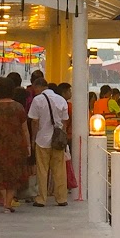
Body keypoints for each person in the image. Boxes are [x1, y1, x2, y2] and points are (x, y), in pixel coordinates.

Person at [0, 76, 32, 211]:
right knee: (12, 175)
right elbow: (25, 129)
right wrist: (28, 145)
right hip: (16, 146)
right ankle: (7, 204)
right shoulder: (18, 107)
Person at [28, 76, 70, 206]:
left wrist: (33, 138)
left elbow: (34, 121)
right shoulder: (61, 99)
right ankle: (61, 198)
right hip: (58, 140)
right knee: (59, 170)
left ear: (38, 87)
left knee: (42, 170)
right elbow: (65, 120)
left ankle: (42, 198)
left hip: (42, 139)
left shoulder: (37, 100)